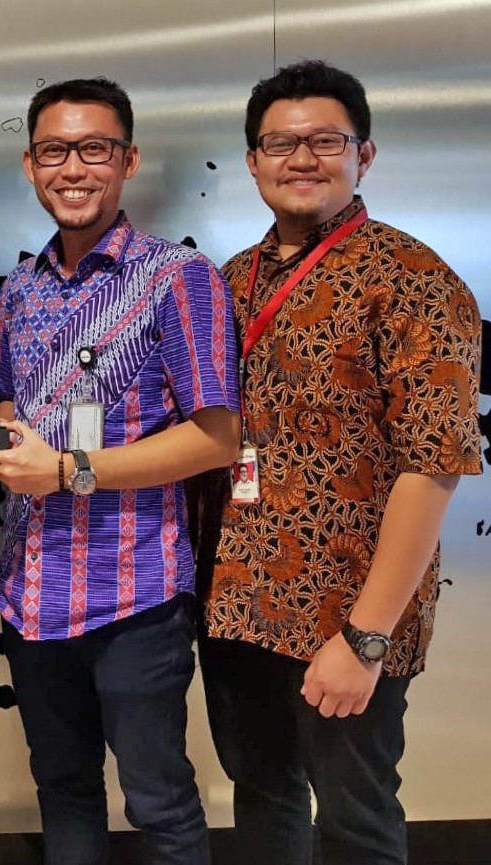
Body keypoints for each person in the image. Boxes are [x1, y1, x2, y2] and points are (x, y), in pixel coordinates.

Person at [199, 59, 482, 865]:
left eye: (325, 140)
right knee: (261, 794)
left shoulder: (415, 279)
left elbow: (435, 465)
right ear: (252, 160)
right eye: (279, 143)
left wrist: (365, 637)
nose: (301, 158)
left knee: (356, 817)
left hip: (344, 612)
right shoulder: (232, 280)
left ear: (365, 154)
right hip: (236, 604)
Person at [0, 77, 239, 865]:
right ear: (29, 163)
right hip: (31, 595)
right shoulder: (18, 289)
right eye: (56, 150)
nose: (74, 168)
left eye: (94, 149)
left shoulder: (177, 278)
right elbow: (5, 405)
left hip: (137, 593)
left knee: (158, 798)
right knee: (62, 786)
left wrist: (66, 470)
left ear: (128, 160)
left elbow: (216, 439)